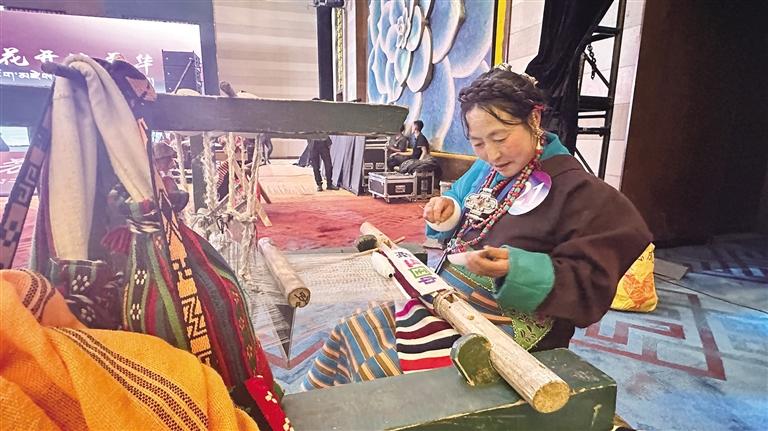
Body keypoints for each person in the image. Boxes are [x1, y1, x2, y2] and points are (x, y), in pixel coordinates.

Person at [303, 66, 652, 389]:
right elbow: (459, 199)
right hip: (449, 300)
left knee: (379, 371)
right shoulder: (488, 170)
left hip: (502, 325)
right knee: (349, 331)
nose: (492, 154)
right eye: (478, 142)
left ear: (534, 119)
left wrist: (517, 269)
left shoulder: (580, 191)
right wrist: (447, 211)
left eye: (501, 137)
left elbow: (592, 281)